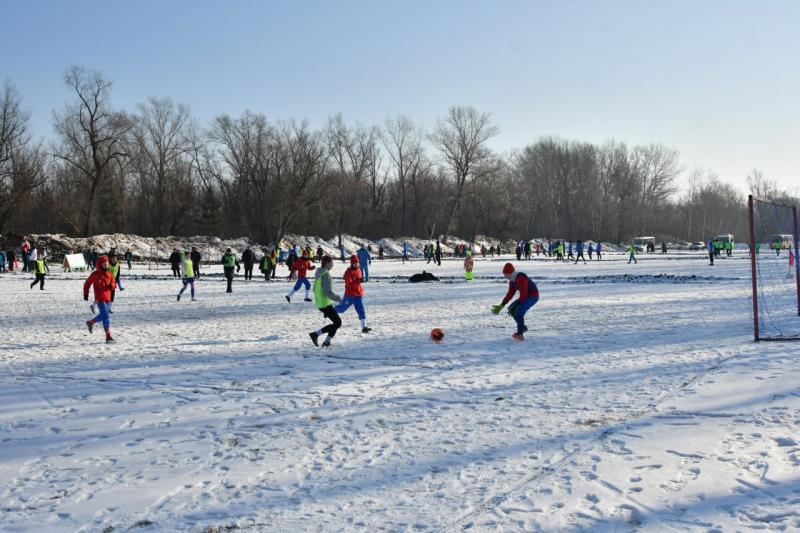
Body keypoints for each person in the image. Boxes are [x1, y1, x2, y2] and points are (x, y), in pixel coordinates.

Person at [491, 263, 540, 341]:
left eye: (505, 274)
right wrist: (501, 305)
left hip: (533, 296)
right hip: (526, 296)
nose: (504, 276)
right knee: (511, 309)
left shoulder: (520, 277)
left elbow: (523, 292)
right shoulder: (512, 281)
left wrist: (518, 304)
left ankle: (520, 334)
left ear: (509, 273)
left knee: (519, 312)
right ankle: (522, 327)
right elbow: (510, 294)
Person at [309, 256, 343, 347]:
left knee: (336, 323)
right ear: (327, 263)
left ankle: (327, 342)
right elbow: (327, 292)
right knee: (338, 323)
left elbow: (314, 289)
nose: (333, 265)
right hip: (325, 303)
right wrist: (338, 299)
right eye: (332, 263)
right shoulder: (325, 274)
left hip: (321, 303)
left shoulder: (319, 273)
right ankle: (315, 334)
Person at [83, 255, 117, 343]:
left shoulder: (109, 274)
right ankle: (108, 336)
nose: (107, 265)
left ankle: (91, 322)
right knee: (106, 316)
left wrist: (112, 285)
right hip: (100, 299)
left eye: (107, 264)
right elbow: (87, 284)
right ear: (100, 265)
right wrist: (86, 294)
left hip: (108, 298)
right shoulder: (95, 274)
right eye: (104, 264)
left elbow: (114, 283)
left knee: (105, 316)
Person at [335, 255, 372, 333]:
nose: (356, 264)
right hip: (350, 295)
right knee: (342, 309)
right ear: (351, 264)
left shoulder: (359, 270)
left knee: (361, 310)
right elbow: (349, 283)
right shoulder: (349, 271)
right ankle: (331, 310)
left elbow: (358, 280)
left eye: (357, 263)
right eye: (355, 263)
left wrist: (360, 280)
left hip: (358, 294)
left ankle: (364, 327)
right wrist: (358, 281)